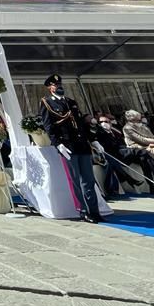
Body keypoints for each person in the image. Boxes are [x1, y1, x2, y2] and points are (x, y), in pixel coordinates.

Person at [39, 74, 103, 222]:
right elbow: (49, 126)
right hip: (67, 146)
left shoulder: (71, 102)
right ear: (50, 87)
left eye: (60, 84)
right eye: (56, 85)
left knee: (88, 180)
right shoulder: (47, 103)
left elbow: (80, 124)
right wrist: (58, 144)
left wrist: (93, 140)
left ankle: (94, 210)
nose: (59, 87)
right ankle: (83, 210)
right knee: (75, 180)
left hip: (82, 145)